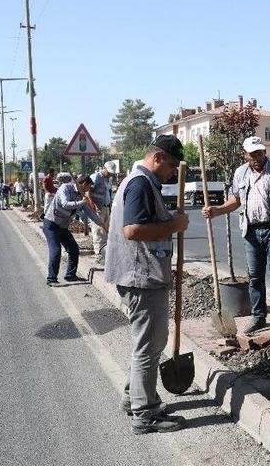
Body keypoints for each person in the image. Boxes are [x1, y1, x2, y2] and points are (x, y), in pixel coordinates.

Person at [104, 135, 189, 435]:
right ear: (157, 158)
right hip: (141, 278)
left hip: (140, 275)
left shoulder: (140, 181)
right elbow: (133, 230)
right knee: (149, 345)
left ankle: (135, 397)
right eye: (172, 166)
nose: (172, 173)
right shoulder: (139, 183)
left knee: (148, 343)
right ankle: (146, 414)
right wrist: (175, 226)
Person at [203, 136, 270, 334]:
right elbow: (236, 200)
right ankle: (258, 317)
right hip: (251, 231)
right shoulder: (241, 173)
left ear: (264, 152)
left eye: (259, 152)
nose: (256, 157)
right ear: (245, 154)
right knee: (255, 278)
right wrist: (217, 210)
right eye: (251, 153)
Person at [43, 174, 104, 287]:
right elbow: (65, 204)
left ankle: (70, 275)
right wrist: (81, 202)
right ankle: (51, 278)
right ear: (84, 184)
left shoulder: (81, 196)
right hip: (51, 224)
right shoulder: (65, 188)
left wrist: (101, 223)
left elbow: (90, 212)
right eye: (88, 187)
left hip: (63, 227)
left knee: (74, 249)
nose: (88, 190)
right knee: (56, 250)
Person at [89, 162, 118, 264]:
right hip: (98, 208)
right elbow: (89, 192)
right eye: (109, 172)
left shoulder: (108, 179)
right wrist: (93, 206)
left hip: (106, 207)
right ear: (104, 168)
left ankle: (105, 252)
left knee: (106, 231)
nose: (110, 174)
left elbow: (108, 193)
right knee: (98, 231)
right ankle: (98, 254)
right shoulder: (95, 177)